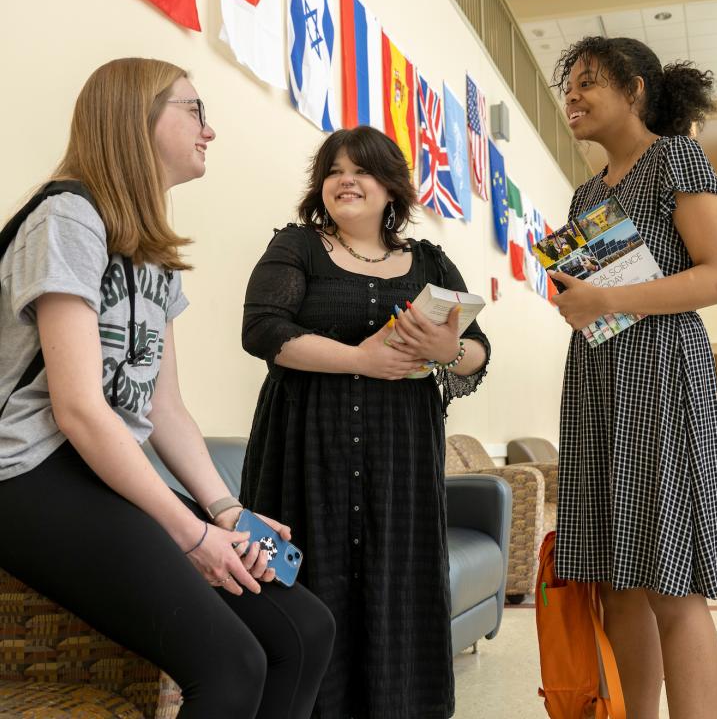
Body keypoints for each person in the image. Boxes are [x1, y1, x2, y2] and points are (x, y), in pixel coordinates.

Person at [0, 58, 335, 719]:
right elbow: (77, 409)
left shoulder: (150, 254)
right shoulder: (69, 218)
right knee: (231, 666)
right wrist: (189, 534)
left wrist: (225, 511)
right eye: (194, 109)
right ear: (135, 118)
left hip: (90, 468)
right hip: (24, 472)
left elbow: (163, 406)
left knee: (304, 630)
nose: (210, 130)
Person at [240, 125, 490, 719]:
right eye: (333, 171)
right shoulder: (296, 247)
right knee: (308, 586)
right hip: (305, 449)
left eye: (362, 170)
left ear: (391, 188)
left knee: (395, 586)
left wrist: (444, 349)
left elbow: (477, 350)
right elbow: (263, 329)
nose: (345, 180)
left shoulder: (428, 260)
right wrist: (361, 360)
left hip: (400, 459)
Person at [549, 36, 717, 719]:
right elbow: (600, 299)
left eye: (587, 83)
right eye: (566, 85)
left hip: (664, 377)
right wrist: (578, 299)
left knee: (673, 584)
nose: (571, 96)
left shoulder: (675, 158)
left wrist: (605, 299)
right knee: (617, 583)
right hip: (600, 383)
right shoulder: (585, 193)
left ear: (635, 90)